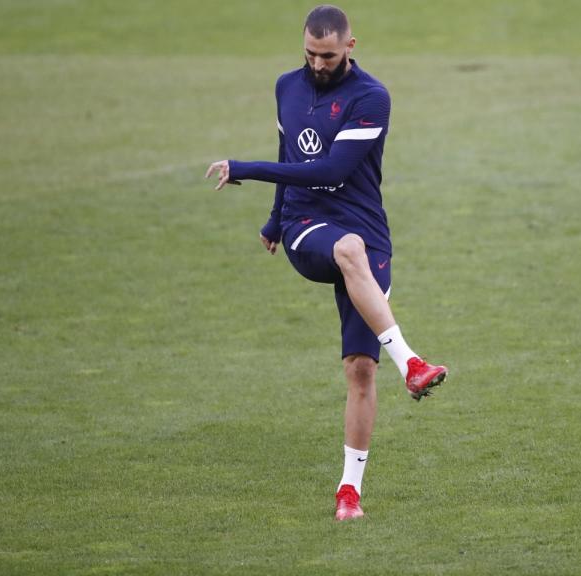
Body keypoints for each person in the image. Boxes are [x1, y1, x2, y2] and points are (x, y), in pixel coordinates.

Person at [205, 5, 448, 521]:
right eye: (310, 53)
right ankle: (412, 363)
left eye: (329, 55)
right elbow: (289, 151)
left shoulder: (371, 98)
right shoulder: (285, 86)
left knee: (360, 369)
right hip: (307, 227)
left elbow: (330, 168)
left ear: (350, 48)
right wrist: (275, 220)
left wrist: (244, 168)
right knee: (346, 249)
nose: (318, 64)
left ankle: (348, 494)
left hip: (366, 230)